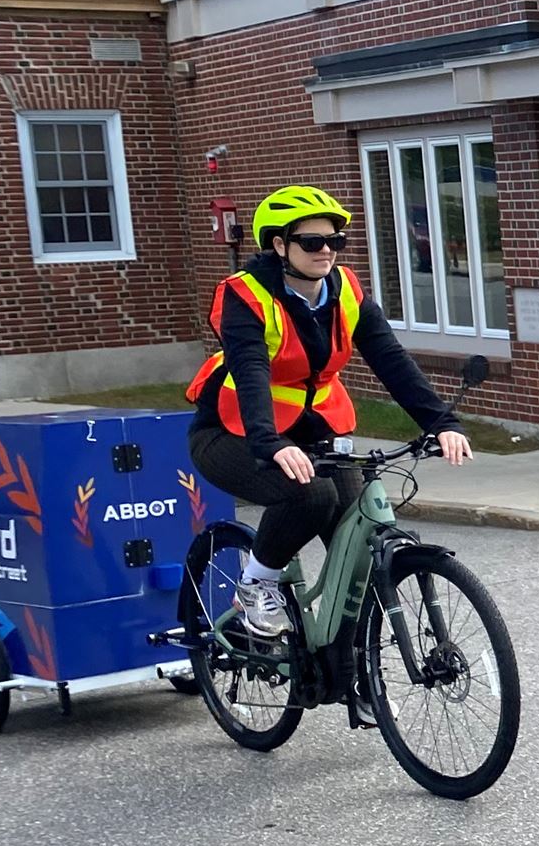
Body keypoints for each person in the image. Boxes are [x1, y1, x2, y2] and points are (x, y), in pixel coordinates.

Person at [186, 185, 472, 642]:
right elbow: (251, 371)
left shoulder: (346, 290)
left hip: (316, 429)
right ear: (279, 245)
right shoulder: (246, 296)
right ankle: (256, 583)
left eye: (335, 240)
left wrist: (441, 423)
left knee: (359, 533)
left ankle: (346, 664)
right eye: (312, 241)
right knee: (311, 495)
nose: (326, 250)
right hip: (233, 432)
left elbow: (391, 359)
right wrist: (271, 444)